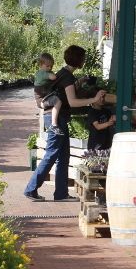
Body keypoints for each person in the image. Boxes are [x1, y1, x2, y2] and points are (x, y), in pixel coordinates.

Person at [24, 45, 108, 202]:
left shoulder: (63, 73)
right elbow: (72, 101)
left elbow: (64, 91)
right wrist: (94, 99)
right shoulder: (67, 76)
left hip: (56, 117)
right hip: (56, 118)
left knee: (63, 155)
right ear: (78, 60)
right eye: (83, 58)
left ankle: (61, 194)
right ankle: (31, 189)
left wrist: (80, 82)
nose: (84, 60)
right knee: (52, 153)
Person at [33, 53, 64, 136]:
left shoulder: (46, 71)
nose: (50, 68)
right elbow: (54, 77)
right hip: (41, 101)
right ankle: (54, 124)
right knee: (58, 101)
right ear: (41, 65)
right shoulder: (41, 73)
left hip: (45, 97)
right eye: (47, 66)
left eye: (51, 66)